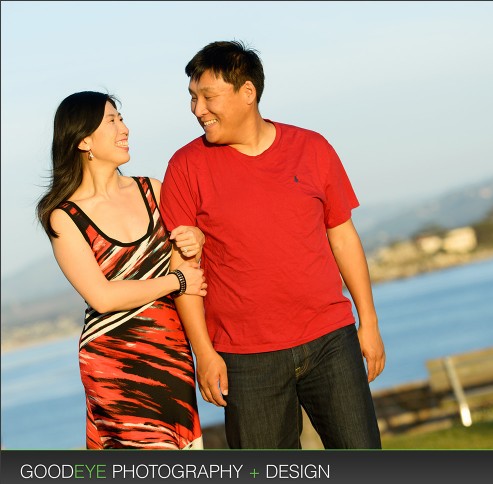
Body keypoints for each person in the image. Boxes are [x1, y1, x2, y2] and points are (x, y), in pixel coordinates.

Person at [160, 40, 385, 449]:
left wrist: (367, 321)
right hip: (244, 358)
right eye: (192, 98)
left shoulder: (312, 148)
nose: (198, 110)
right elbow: (183, 271)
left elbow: (342, 235)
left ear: (248, 93)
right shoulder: (185, 167)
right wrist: (203, 353)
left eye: (209, 97)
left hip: (330, 340)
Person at [36, 91, 209, 449]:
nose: (125, 128)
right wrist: (175, 281)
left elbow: (188, 254)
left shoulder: (153, 190)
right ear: (84, 141)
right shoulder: (65, 216)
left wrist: (196, 238)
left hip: (171, 352)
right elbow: (102, 297)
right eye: (112, 121)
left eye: (121, 118)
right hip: (115, 361)